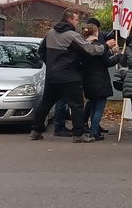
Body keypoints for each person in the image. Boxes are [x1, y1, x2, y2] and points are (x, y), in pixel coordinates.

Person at [30, 8, 116, 142]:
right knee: (76, 104)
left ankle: (35, 130)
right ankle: (78, 134)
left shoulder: (50, 33)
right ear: (70, 20)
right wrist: (105, 45)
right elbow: (90, 50)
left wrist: (51, 64)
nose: (77, 22)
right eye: (76, 20)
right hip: (69, 75)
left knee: (46, 103)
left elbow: (41, 51)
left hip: (52, 75)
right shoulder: (72, 36)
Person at [81, 23, 122, 141]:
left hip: (87, 79)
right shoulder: (99, 46)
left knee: (93, 106)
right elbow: (107, 62)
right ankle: (94, 131)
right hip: (100, 79)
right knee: (99, 108)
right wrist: (118, 56)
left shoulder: (84, 46)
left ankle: (93, 130)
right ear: (95, 32)